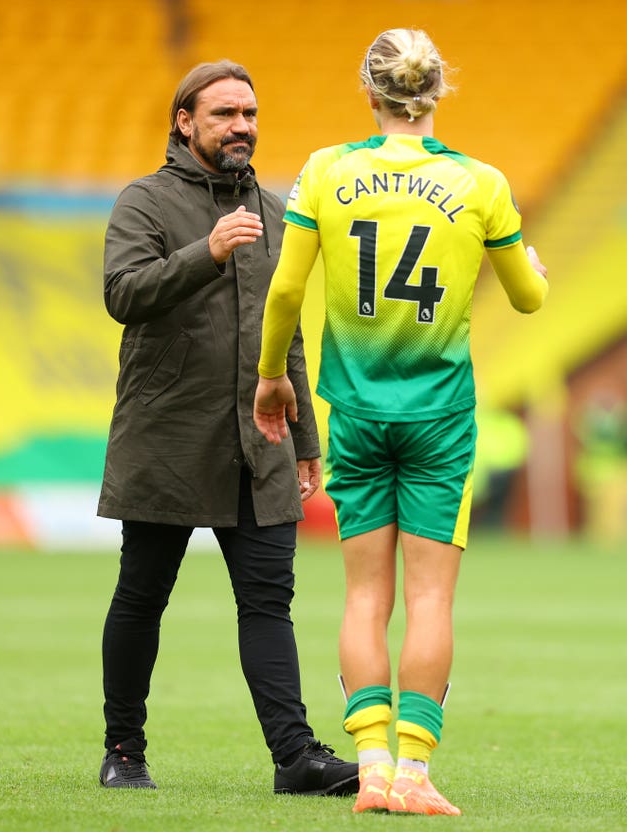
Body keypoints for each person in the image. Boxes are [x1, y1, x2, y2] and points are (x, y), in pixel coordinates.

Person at [253, 28, 548, 815]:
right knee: (431, 601)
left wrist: (271, 376)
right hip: (440, 418)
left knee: (361, 599)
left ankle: (372, 764)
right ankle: (415, 773)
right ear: (437, 92)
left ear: (370, 91)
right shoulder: (480, 183)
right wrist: (539, 272)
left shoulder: (326, 170)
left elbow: (283, 296)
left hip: (354, 410)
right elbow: (527, 298)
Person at [96, 59, 358, 797]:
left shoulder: (278, 213)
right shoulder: (143, 201)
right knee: (143, 595)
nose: (241, 125)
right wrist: (203, 252)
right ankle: (124, 749)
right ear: (186, 122)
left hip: (260, 443)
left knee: (270, 599)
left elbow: (290, 335)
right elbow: (123, 294)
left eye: (248, 113)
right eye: (223, 114)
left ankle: (295, 757)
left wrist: (306, 443)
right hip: (167, 436)